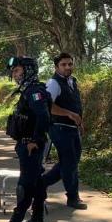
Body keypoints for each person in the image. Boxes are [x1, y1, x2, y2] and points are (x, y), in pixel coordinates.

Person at [0, 56, 51, 222]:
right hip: (27, 142)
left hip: (30, 145)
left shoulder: (35, 91)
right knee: (37, 180)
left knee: (25, 184)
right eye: (13, 71)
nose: (14, 74)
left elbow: (43, 117)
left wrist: (34, 140)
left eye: (17, 70)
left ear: (28, 71)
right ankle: (37, 219)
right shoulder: (28, 90)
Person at [42, 52, 87, 209]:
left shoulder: (72, 81)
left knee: (71, 162)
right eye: (63, 64)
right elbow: (48, 106)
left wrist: (79, 122)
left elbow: (75, 104)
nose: (68, 67)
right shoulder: (53, 83)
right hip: (59, 128)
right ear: (56, 67)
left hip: (72, 128)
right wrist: (69, 114)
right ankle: (73, 197)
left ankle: (41, 183)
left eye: (70, 64)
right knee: (69, 163)